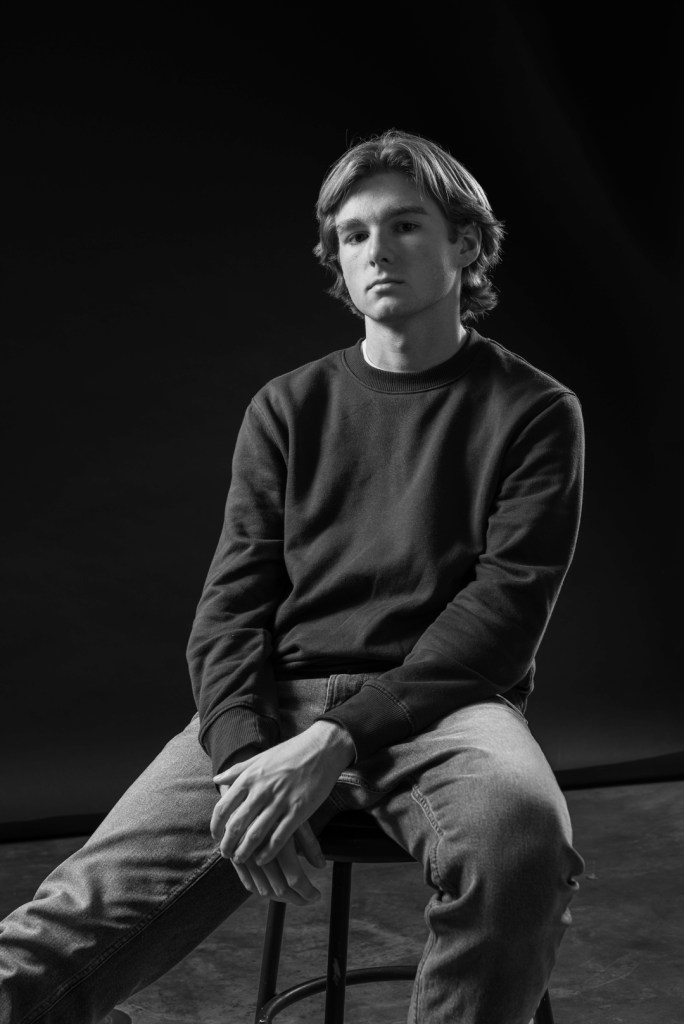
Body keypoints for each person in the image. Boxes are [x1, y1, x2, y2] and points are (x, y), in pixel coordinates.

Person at [0, 129, 585, 1024]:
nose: (376, 251)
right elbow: (230, 608)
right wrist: (246, 764)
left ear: (465, 245)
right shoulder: (286, 407)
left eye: (405, 225)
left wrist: (338, 741)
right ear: (337, 262)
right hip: (274, 704)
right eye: (353, 235)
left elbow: (503, 613)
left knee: (521, 844)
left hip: (446, 707)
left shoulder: (536, 410)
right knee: (35, 959)